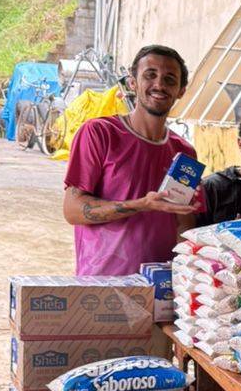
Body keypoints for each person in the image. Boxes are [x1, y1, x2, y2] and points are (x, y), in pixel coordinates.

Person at [62, 45, 201, 277]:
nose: (159, 85)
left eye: (170, 79)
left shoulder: (184, 152)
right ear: (132, 83)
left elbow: (183, 224)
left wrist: (183, 276)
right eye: (150, 75)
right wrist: (141, 205)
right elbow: (73, 211)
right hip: (103, 284)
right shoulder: (99, 133)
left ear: (181, 91)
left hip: (161, 287)